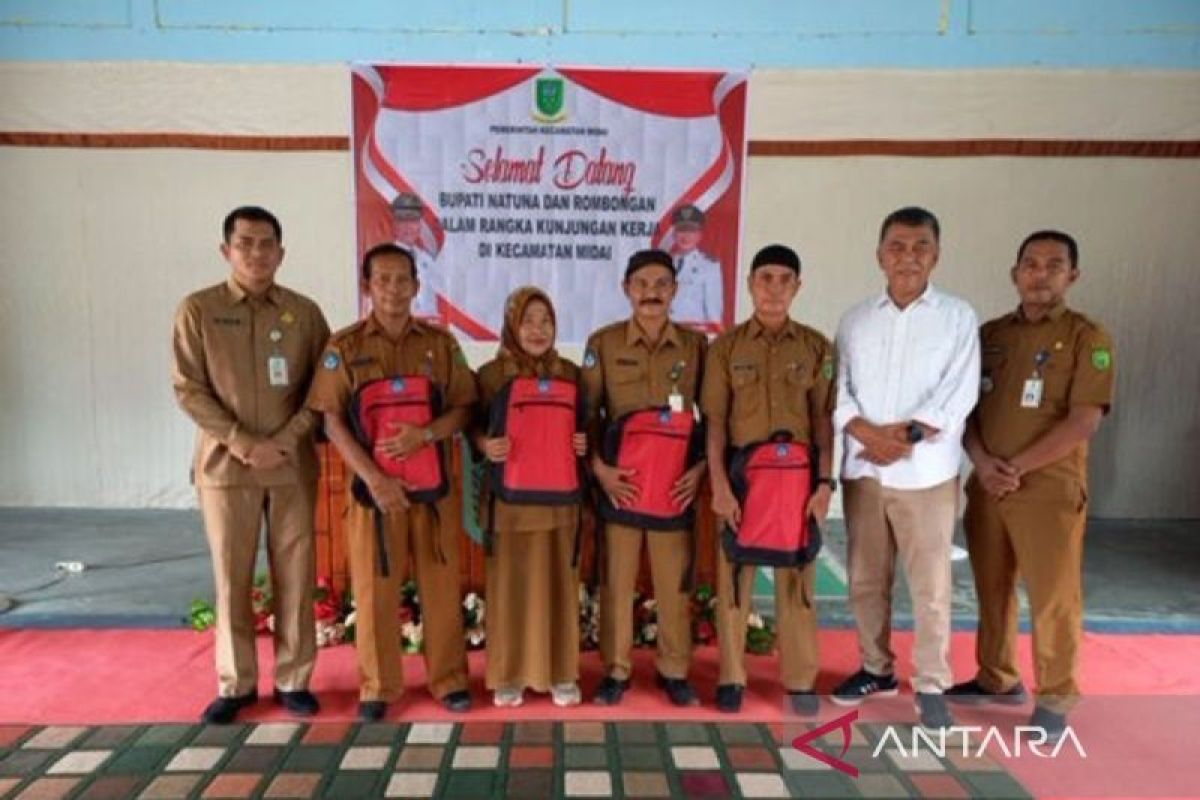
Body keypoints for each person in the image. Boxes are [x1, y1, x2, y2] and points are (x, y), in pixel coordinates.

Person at [947, 230, 1115, 741]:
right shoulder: (990, 335)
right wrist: (981, 461)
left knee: (1052, 594)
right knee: (991, 588)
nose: (1040, 274)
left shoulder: (1089, 338)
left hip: (1047, 488)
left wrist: (1014, 467)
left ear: (1072, 276)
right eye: (1031, 264)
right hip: (987, 484)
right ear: (1015, 272)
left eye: (1053, 265)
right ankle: (996, 676)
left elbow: (1084, 421)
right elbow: (964, 409)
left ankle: (1056, 696)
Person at [172, 206, 330, 725]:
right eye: (245, 244)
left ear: (281, 253)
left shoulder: (305, 314)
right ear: (226, 251)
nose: (257, 253)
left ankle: (293, 678)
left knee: (296, 574)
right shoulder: (198, 311)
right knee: (231, 576)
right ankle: (236, 683)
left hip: (289, 465)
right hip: (226, 468)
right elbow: (188, 389)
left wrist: (284, 441)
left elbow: (322, 389)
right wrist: (242, 442)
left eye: (267, 244)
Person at [306, 243, 473, 721]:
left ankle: (449, 680)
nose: (394, 289)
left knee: (441, 585)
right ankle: (378, 687)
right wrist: (376, 479)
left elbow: (464, 408)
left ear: (417, 286)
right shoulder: (345, 347)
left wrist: (427, 434)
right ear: (367, 286)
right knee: (375, 589)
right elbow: (332, 420)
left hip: (433, 493)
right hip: (372, 495)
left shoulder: (441, 345)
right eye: (383, 280)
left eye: (403, 280)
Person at [831, 206, 980, 730]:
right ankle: (876, 667)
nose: (907, 257)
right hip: (865, 471)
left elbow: (956, 395)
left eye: (920, 247)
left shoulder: (958, 318)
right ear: (879, 255)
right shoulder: (855, 319)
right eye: (897, 246)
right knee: (866, 579)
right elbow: (840, 392)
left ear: (936, 255)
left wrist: (907, 437)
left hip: (926, 475)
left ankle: (933, 681)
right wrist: (870, 435)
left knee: (930, 584)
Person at [701, 244, 835, 715]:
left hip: (799, 480)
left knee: (798, 581)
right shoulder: (726, 349)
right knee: (735, 578)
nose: (774, 288)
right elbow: (714, 422)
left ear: (797, 287)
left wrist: (824, 484)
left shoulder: (817, 347)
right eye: (765, 278)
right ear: (750, 284)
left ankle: (799, 680)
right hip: (743, 478)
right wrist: (718, 485)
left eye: (784, 279)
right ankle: (732, 676)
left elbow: (823, 420)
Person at [582, 249, 708, 707]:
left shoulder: (697, 348)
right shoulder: (604, 343)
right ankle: (616, 671)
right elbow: (588, 414)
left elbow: (711, 419)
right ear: (626, 289)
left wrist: (699, 472)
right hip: (622, 487)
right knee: (616, 582)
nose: (651, 293)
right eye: (642, 284)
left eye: (660, 284)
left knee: (674, 584)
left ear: (674, 290)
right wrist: (600, 470)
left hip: (675, 487)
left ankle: (674, 670)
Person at [474, 287, 587, 708]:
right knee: (509, 589)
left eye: (546, 321)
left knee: (560, 585)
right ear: (511, 325)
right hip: (509, 505)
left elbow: (590, 422)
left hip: (561, 502)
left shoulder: (571, 374)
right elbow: (471, 425)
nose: (538, 330)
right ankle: (508, 675)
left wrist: (583, 440)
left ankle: (561, 673)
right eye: (528, 321)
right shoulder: (490, 375)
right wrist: (484, 444)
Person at [669, 204, 723, 329]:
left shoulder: (709, 267)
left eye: (692, 231)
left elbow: (713, 316)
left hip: (694, 338)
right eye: (681, 229)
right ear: (674, 233)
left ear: (700, 235)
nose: (686, 236)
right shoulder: (664, 264)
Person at [391, 193, 440, 319]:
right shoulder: (384, 259)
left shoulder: (427, 260)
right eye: (403, 221)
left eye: (413, 220)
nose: (409, 227)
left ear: (419, 225)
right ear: (394, 224)